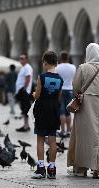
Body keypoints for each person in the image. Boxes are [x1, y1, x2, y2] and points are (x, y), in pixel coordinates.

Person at [67, 43, 99, 179]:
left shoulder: (83, 68)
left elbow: (76, 87)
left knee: (84, 136)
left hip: (87, 104)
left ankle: (81, 168)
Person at [32, 51, 63, 179]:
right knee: (52, 140)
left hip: (42, 109)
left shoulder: (42, 77)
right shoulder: (60, 79)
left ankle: (40, 169)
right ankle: (52, 168)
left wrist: (34, 94)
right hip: (54, 110)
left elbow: (37, 95)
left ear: (45, 62)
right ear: (56, 63)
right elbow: (59, 97)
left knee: (40, 138)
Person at [55, 51, 76, 137]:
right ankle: (68, 131)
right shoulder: (73, 67)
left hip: (60, 90)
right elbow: (73, 79)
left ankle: (62, 131)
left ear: (60, 58)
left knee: (61, 111)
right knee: (68, 111)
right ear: (67, 58)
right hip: (70, 90)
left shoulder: (58, 67)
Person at [15, 54, 33, 132]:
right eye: (20, 58)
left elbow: (28, 77)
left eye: (22, 58)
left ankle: (26, 126)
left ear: (26, 59)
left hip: (24, 91)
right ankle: (26, 125)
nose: (21, 60)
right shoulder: (23, 68)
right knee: (23, 108)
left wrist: (24, 88)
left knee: (25, 108)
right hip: (21, 91)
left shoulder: (27, 67)